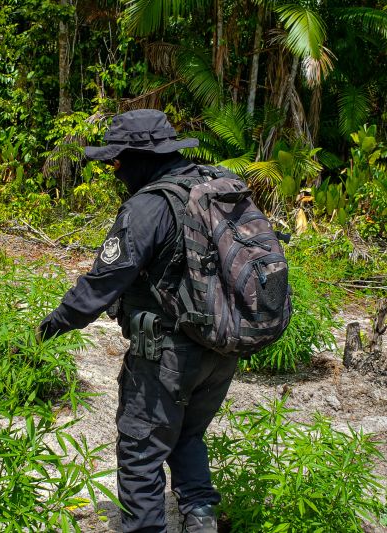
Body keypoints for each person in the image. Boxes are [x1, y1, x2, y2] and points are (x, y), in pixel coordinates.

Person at [37, 109, 238, 533]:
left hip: (167, 356)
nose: (114, 171)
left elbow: (102, 284)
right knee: (186, 436)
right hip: (221, 346)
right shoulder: (215, 185)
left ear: (137, 157)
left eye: (116, 162)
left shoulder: (149, 207)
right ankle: (201, 521)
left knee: (141, 452)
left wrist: (52, 325)